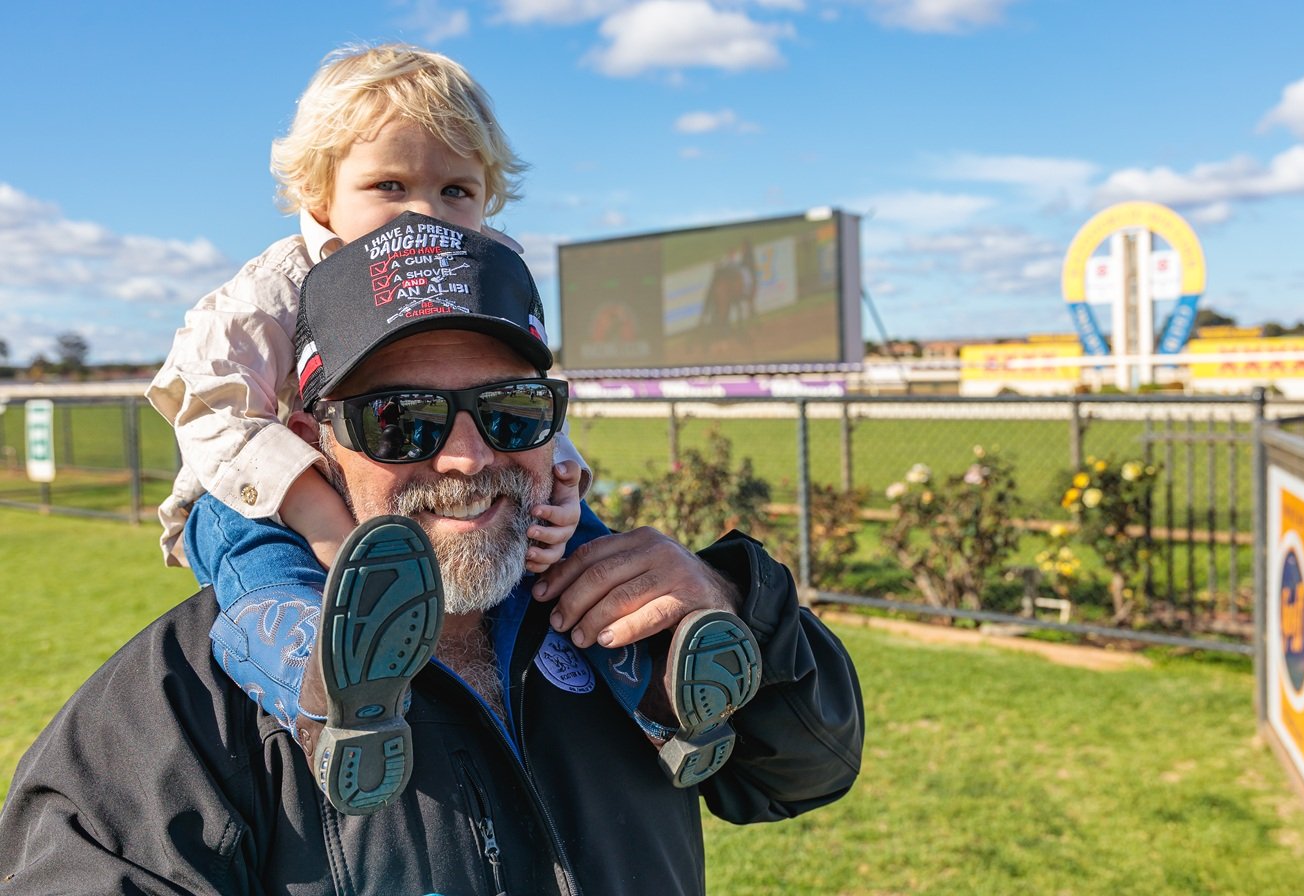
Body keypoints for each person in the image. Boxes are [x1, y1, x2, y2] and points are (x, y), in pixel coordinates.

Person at [0, 216, 864, 894]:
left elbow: (806, 771)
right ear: (311, 441)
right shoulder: (186, 701)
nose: (467, 457)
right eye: (401, 420)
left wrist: (729, 597)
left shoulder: (629, 619)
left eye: (512, 410)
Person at [144, 43, 697, 814]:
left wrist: (564, 480)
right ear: (319, 192)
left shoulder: (484, 266)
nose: (427, 213)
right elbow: (212, 413)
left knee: (571, 543)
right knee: (249, 548)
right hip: (269, 492)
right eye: (390, 186)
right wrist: (324, 523)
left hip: (415, 494)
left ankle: (666, 684)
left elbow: (516, 393)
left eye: (456, 189)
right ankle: (322, 686)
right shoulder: (269, 292)